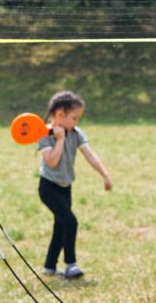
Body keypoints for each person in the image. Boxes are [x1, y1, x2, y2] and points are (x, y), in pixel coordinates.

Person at [36, 90, 113, 279]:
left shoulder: (76, 133)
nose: (77, 122)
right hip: (49, 187)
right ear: (60, 114)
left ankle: (49, 266)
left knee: (60, 226)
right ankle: (71, 264)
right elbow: (52, 162)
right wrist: (60, 139)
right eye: (75, 117)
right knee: (71, 222)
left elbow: (90, 155)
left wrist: (105, 174)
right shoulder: (44, 134)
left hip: (65, 187)